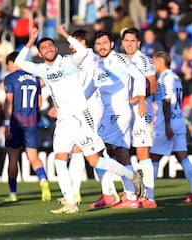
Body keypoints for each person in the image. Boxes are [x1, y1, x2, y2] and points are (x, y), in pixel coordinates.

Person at [15, 26, 143, 213]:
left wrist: (66, 35)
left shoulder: (68, 62)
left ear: (57, 49)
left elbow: (83, 51)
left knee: (94, 161)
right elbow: (19, 61)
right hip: (63, 121)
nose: (49, 49)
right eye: (44, 48)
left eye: (51, 46)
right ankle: (71, 202)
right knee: (59, 160)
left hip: (81, 117)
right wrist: (29, 41)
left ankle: (132, 176)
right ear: (40, 54)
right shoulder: (41, 69)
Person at [86, 31, 147, 209]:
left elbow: (140, 77)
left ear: (112, 44)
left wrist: (141, 99)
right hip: (108, 114)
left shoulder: (120, 60)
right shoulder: (97, 64)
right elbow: (90, 89)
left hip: (119, 112)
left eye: (105, 43)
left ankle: (112, 192)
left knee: (96, 150)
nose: (102, 46)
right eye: (98, 44)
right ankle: (130, 196)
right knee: (118, 152)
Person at [55, 29, 104, 205]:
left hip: (91, 107)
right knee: (79, 150)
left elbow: (89, 85)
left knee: (89, 151)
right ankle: (75, 192)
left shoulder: (90, 56)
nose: (69, 45)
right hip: (80, 108)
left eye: (73, 41)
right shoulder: (77, 60)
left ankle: (112, 189)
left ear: (83, 42)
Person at [150, 51, 192, 203]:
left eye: (154, 62)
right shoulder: (176, 77)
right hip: (179, 120)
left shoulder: (164, 79)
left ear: (160, 62)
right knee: (182, 156)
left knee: (154, 157)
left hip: (168, 122)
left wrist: (167, 125)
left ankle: (149, 196)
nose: (152, 66)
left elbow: (167, 101)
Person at [3, 51, 51, 203]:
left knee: (12, 158)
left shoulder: (10, 78)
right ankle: (43, 180)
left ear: (12, 63)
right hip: (31, 122)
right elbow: (40, 103)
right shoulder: (35, 78)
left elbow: (9, 102)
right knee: (33, 158)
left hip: (16, 123)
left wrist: (6, 124)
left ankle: (13, 193)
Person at [121, 27, 158, 208]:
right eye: (126, 40)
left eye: (132, 41)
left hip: (141, 111)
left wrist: (139, 97)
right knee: (118, 150)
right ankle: (130, 192)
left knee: (142, 152)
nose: (129, 44)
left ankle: (149, 196)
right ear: (122, 43)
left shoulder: (144, 60)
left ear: (138, 43)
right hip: (123, 111)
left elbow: (153, 86)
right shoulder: (119, 61)